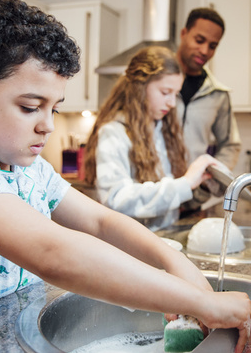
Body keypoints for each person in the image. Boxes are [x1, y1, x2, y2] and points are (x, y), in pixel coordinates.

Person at [0, 0, 251, 353]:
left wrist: (177, 265)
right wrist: (200, 302)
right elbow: (53, 253)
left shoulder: (29, 168)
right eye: (30, 107)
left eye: (55, 108)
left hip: (5, 349)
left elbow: (100, 220)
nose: (47, 126)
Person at [83, 46, 224, 230]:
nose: (172, 103)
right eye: (165, 93)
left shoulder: (164, 129)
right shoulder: (114, 133)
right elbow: (115, 198)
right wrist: (185, 183)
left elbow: (167, 198)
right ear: (140, 88)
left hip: (164, 238)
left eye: (175, 94)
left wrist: (201, 185)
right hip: (130, 245)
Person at [175, 8, 242, 207]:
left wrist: (208, 184)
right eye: (199, 40)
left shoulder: (218, 94)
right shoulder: (155, 82)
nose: (205, 51)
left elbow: (230, 145)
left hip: (192, 200)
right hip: (151, 194)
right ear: (184, 34)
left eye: (213, 46)